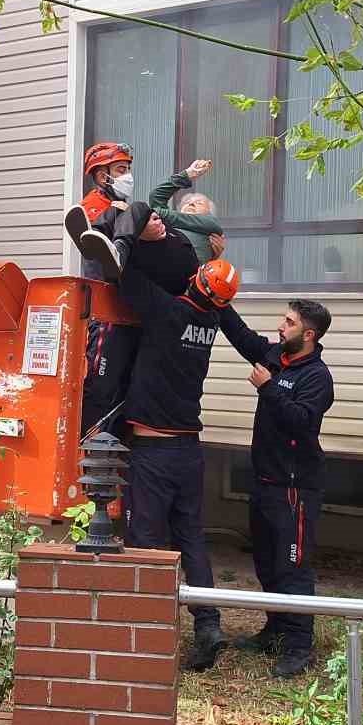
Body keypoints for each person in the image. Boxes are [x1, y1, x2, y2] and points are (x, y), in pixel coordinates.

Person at [113, 255, 242, 671]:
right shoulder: (211, 322)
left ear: (194, 282)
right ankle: (208, 624)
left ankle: (146, 633)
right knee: (191, 541)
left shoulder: (168, 310)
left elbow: (123, 275)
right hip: (190, 450)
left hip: (153, 453)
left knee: (145, 544)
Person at [216, 300, 335, 677]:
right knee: (266, 563)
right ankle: (276, 629)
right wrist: (217, 301)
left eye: (289, 322)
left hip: (294, 489)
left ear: (309, 334)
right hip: (264, 482)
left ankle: (299, 647)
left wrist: (268, 389)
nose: (281, 327)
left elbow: (301, 421)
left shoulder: (317, 376)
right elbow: (242, 338)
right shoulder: (276, 356)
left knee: (293, 566)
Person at [77, 201, 210, 436]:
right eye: (187, 206)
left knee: (126, 390)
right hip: (123, 311)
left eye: (198, 213)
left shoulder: (188, 246)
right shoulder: (164, 225)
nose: (190, 212)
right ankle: (102, 238)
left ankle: (108, 243)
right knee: (102, 388)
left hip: (153, 316)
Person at [66, 141, 134, 264]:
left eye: (128, 170)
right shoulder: (90, 205)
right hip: (102, 276)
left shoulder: (122, 203)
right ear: (103, 177)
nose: (128, 176)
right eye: (121, 170)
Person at [149, 158, 225, 265]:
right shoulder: (167, 222)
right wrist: (187, 174)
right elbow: (156, 196)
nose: (191, 204)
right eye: (187, 202)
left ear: (209, 214)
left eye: (199, 203)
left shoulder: (211, 225)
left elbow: (158, 211)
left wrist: (152, 213)